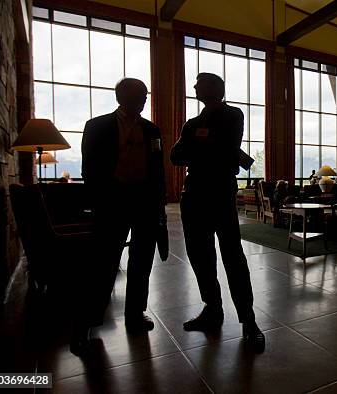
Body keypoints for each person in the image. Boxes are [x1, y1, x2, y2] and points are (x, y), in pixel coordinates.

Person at [170, 73, 265, 352]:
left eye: (201, 83)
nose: (195, 86)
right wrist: (211, 149)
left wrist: (200, 149)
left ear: (216, 89)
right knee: (200, 257)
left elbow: (225, 147)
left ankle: (249, 321)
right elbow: (175, 156)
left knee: (233, 257)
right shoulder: (192, 123)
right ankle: (212, 309)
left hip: (220, 195)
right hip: (193, 197)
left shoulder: (233, 114)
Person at [77, 78, 166, 354]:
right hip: (111, 203)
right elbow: (89, 169)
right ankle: (87, 323)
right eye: (139, 94)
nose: (144, 99)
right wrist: (97, 203)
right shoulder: (97, 126)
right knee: (103, 264)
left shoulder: (152, 130)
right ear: (121, 97)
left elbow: (157, 169)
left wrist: (159, 206)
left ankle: (135, 314)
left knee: (141, 263)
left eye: (145, 94)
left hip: (144, 203)